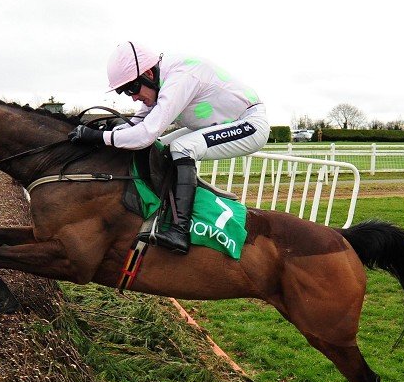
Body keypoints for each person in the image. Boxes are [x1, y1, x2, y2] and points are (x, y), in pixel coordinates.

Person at [68, 41, 270, 254]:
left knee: (183, 148)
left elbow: (144, 135)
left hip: (250, 124)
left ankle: (179, 231)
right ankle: (164, 210)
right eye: (126, 92)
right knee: (161, 148)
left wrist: (98, 137)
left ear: (148, 73)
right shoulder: (159, 80)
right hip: (220, 124)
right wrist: (104, 131)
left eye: (132, 88)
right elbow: (137, 125)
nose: (134, 97)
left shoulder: (180, 78)